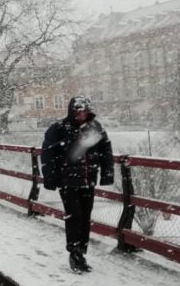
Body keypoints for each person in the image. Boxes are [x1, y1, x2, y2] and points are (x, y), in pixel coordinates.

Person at [40, 96, 114, 274]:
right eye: (78, 111)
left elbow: (105, 151)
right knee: (74, 217)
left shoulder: (95, 127)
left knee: (85, 217)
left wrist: (107, 173)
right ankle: (74, 253)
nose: (81, 115)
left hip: (88, 180)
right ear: (72, 111)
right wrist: (50, 177)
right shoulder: (59, 128)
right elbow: (47, 154)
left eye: (84, 111)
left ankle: (81, 252)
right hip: (68, 181)